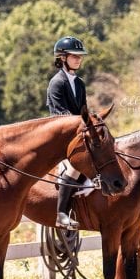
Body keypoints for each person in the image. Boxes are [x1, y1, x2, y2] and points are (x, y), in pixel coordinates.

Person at [46, 36, 89, 230]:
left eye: (80, 56)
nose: (78, 59)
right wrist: (79, 125)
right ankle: (61, 213)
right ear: (63, 58)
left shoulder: (79, 83)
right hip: (62, 135)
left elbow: (83, 111)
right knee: (75, 166)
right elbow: (58, 114)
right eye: (74, 56)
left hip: (79, 133)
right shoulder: (57, 83)